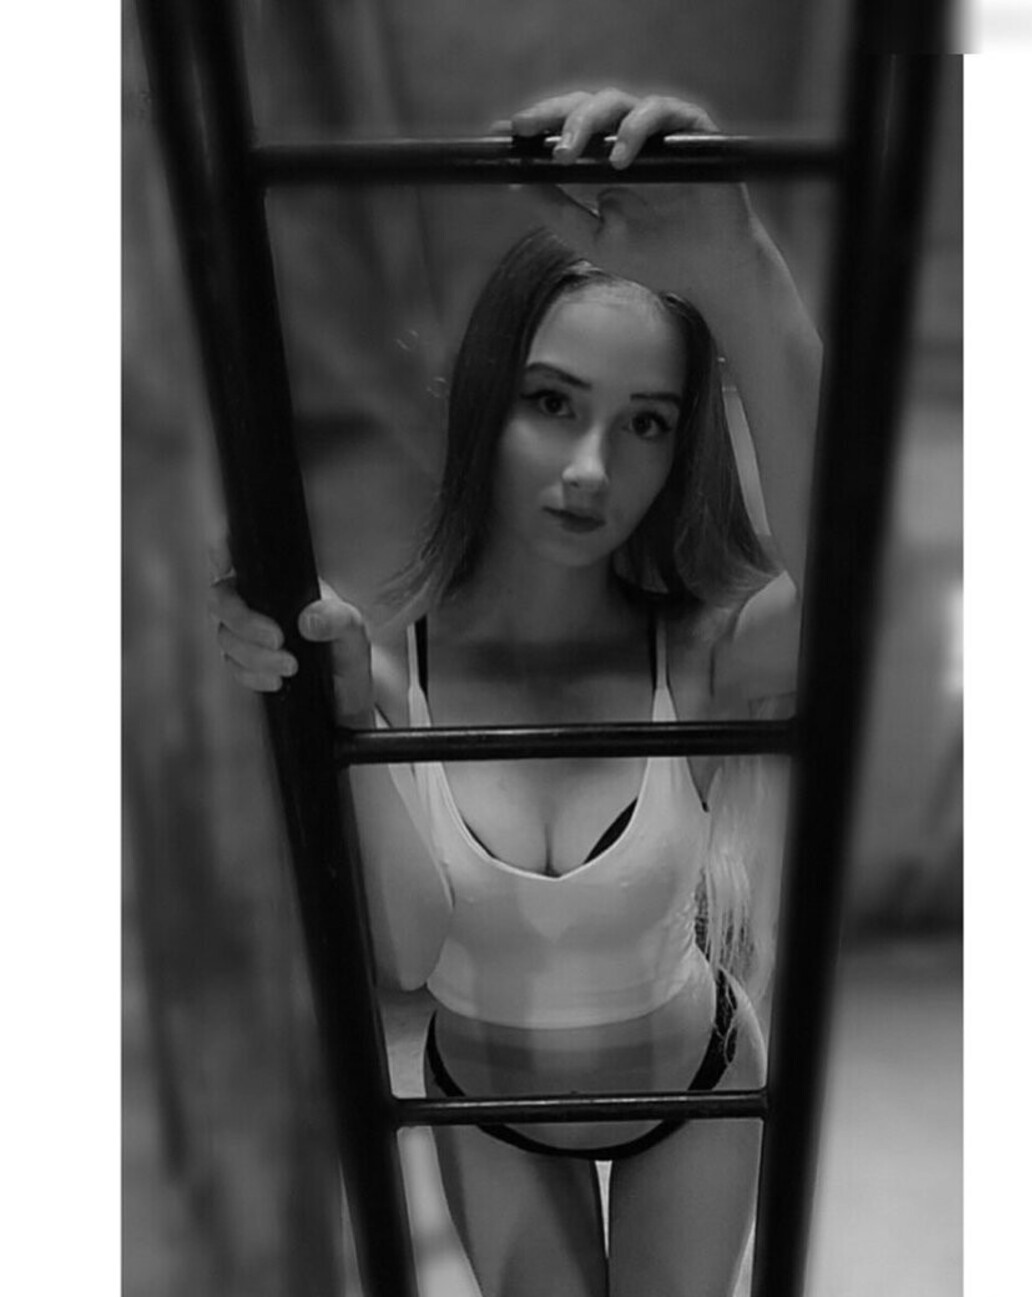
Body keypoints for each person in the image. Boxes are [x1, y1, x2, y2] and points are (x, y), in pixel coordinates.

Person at [209, 89, 820, 1297]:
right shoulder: (386, 667)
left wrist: (740, 271)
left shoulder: (705, 653)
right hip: (486, 1105)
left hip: (696, 1086)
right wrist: (338, 708)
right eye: (552, 403)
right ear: (487, 405)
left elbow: (849, 588)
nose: (592, 469)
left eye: (647, 423)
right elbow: (407, 952)